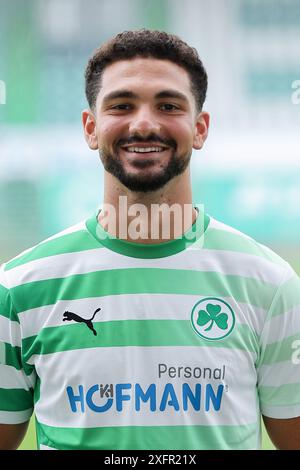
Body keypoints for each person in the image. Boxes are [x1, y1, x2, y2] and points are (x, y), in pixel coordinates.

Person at [0, 29, 299, 451]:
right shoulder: (19, 288)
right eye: (122, 105)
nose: (143, 123)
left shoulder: (270, 284)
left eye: (168, 105)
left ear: (200, 128)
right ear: (91, 128)